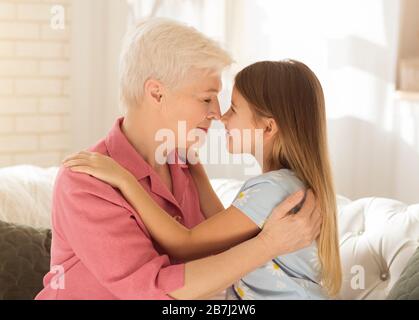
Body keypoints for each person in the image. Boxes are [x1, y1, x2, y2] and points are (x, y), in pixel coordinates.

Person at [36, 18, 321, 300]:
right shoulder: (86, 181)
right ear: (157, 93)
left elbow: (219, 252)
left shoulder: (186, 168)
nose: (217, 114)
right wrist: (268, 244)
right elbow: (156, 291)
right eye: (207, 98)